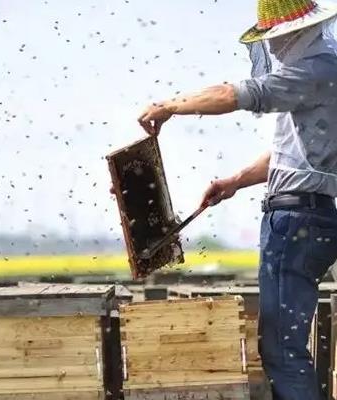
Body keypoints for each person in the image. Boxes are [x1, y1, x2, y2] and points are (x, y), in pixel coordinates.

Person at [138, 1, 337, 399]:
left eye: (279, 38)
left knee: (282, 349)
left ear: (298, 31)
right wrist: (235, 181)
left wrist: (169, 105)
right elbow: (292, 154)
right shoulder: (322, 71)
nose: (275, 48)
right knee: (288, 346)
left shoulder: (316, 69)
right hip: (310, 213)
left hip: (296, 219)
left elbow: (235, 94)